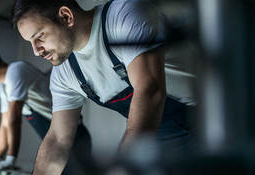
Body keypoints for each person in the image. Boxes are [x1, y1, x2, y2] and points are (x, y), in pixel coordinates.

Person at [12, 0, 195, 174]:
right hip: (159, 137)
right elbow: (58, 141)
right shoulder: (64, 74)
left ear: (66, 16)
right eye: (31, 43)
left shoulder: (124, 14)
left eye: (40, 37)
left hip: (208, 121)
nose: (36, 51)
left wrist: (121, 168)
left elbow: (150, 91)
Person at [0, 44, 91, 174]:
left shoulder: (16, 71)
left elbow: (14, 119)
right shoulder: (3, 85)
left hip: (74, 136)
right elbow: (5, 124)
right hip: (56, 140)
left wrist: (10, 159)